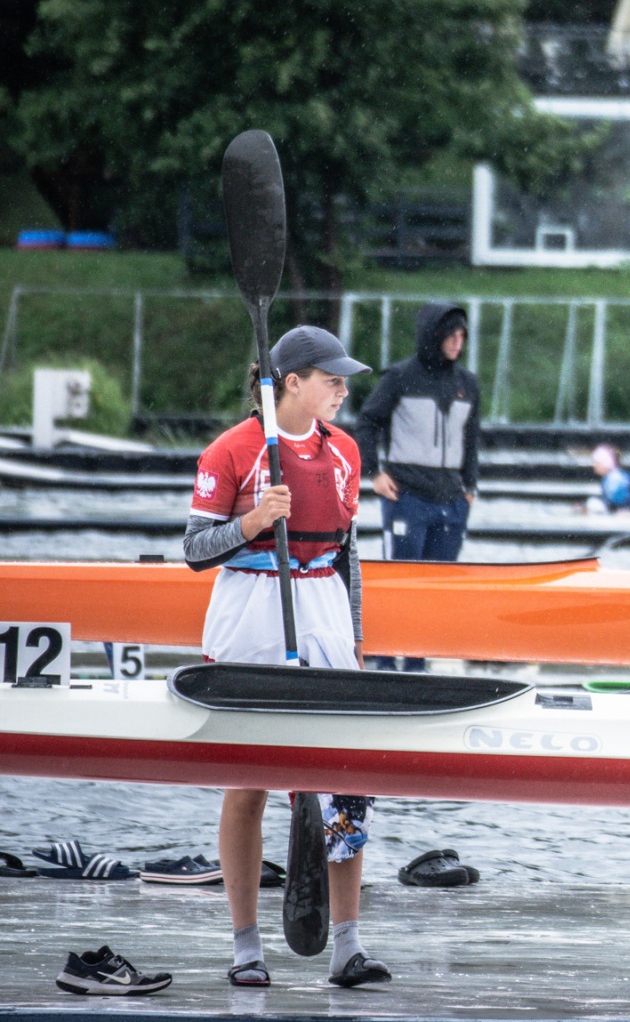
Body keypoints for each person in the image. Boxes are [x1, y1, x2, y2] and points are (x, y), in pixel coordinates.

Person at [184, 326, 389, 989]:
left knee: (343, 779)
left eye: (344, 380)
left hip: (321, 607)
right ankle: (246, 948)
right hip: (252, 607)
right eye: (332, 379)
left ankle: (347, 945)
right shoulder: (232, 450)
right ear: (291, 383)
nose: (343, 390)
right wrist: (251, 521)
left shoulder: (345, 451)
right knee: (249, 781)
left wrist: (354, 639)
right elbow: (194, 550)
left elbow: (348, 556)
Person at [353, 303, 478, 562]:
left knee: (443, 580)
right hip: (407, 496)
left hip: (453, 497)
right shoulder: (399, 377)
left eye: (462, 335)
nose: (458, 342)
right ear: (434, 335)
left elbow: (471, 437)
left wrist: (470, 486)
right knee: (403, 574)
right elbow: (367, 422)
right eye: (451, 335)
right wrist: (373, 473)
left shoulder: (468, 383)